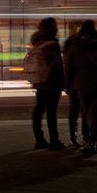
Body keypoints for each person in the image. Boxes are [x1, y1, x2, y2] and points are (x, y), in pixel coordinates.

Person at [63, 19, 97, 154]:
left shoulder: (75, 44)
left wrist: (68, 84)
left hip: (81, 83)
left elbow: (69, 66)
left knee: (89, 114)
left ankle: (92, 143)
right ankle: (96, 141)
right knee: (92, 114)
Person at [29, 17, 66, 150]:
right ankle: (54, 141)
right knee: (51, 112)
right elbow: (56, 65)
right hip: (52, 82)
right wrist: (63, 82)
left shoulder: (37, 42)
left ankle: (39, 139)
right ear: (53, 28)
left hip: (40, 81)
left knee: (39, 110)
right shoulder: (52, 43)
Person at [63, 22, 90, 147]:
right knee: (86, 111)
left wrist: (67, 84)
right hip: (87, 81)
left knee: (74, 110)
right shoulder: (92, 43)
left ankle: (74, 136)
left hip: (75, 82)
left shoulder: (71, 43)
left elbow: (68, 66)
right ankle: (87, 135)